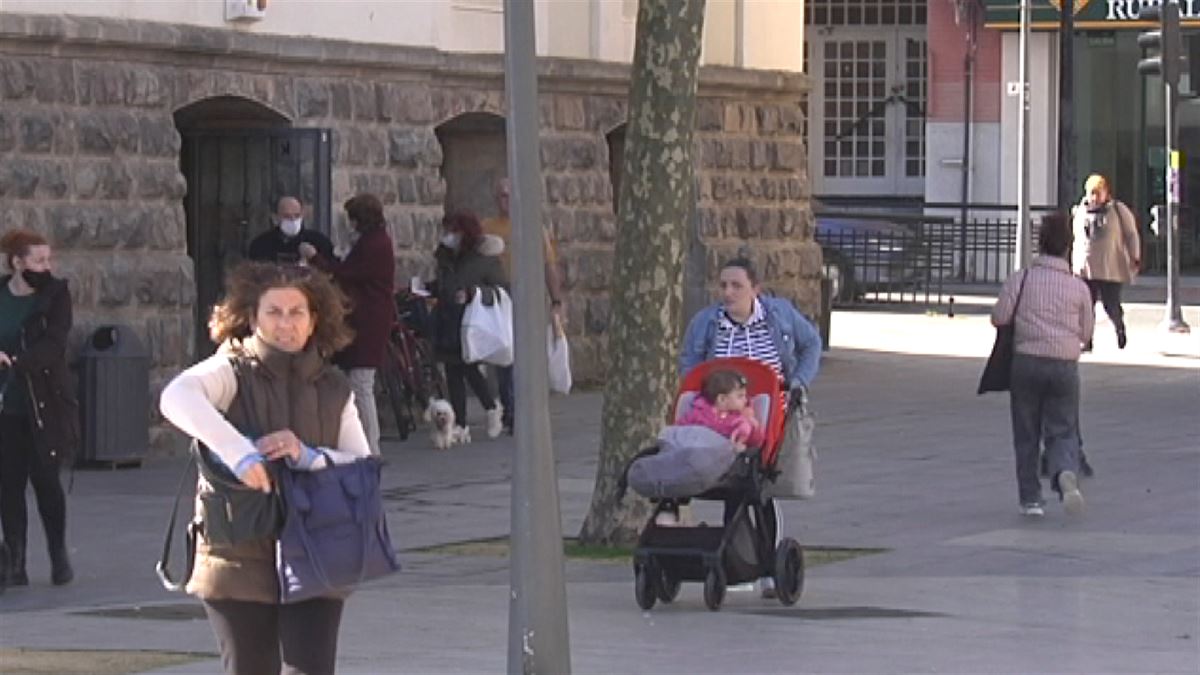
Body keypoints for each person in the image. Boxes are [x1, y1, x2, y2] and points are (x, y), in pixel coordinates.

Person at [159, 262, 370, 675]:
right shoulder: (230, 369)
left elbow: (361, 466)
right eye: (273, 312)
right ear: (252, 317)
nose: (285, 323)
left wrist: (308, 456)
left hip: (316, 551)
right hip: (237, 553)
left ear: (314, 322)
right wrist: (240, 454)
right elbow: (176, 396)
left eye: (297, 313)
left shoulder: (335, 388)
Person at [680, 257, 822, 597]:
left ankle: (758, 565)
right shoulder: (707, 323)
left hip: (768, 416)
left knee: (757, 485)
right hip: (718, 417)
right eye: (723, 285)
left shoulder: (779, 315)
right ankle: (737, 561)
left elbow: (811, 343)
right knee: (735, 485)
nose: (727, 293)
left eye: (736, 286)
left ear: (755, 289)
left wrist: (799, 381)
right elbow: (691, 362)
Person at [992, 213, 1094, 518]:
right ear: (1068, 247)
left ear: (1040, 244)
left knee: (1026, 433)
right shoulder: (1078, 288)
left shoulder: (1020, 279)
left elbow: (999, 317)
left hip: (1025, 363)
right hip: (1064, 365)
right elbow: (1086, 333)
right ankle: (1064, 472)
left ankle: (1031, 499)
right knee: (1063, 429)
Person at [0, 228, 78, 587]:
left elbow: (55, 343)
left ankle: (58, 554)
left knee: (46, 480)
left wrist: (18, 363)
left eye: (48, 259)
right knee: (8, 484)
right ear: (16, 262)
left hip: (44, 399)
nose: (46, 267)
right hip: (7, 405)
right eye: (38, 260)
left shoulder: (55, 295)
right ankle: (15, 561)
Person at [300, 193, 395, 456]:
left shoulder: (373, 245)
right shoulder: (375, 242)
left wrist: (316, 258)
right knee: (359, 382)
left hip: (367, 321)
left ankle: (370, 448)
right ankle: (365, 444)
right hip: (368, 319)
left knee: (361, 384)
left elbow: (346, 273)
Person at [480, 177, 566, 434]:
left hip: (526, 295)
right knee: (505, 356)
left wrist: (556, 299)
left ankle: (525, 408)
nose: (504, 201)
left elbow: (548, 265)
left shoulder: (532, 228)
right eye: (501, 196)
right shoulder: (488, 228)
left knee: (526, 355)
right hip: (499, 297)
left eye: (509, 196)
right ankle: (511, 408)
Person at [430, 210, 507, 440]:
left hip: (470, 320)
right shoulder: (444, 258)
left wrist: (474, 293)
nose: (448, 236)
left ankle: (490, 408)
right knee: (454, 370)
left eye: (453, 231)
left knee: (467, 368)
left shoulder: (484, 260)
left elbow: (500, 290)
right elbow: (444, 285)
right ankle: (462, 422)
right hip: (447, 319)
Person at [1071, 174, 1140, 350]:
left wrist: (1134, 256)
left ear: (1106, 193)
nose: (1094, 197)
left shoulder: (1117, 210)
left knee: (1111, 305)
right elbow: (1077, 239)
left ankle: (1119, 329)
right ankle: (1086, 340)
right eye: (1091, 193)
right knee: (1086, 307)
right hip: (1086, 269)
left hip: (1111, 268)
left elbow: (1131, 234)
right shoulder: (1080, 211)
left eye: (1098, 193)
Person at [678, 369, 765, 452]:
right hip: (697, 457)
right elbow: (679, 431)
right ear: (722, 399)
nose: (746, 400)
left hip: (727, 461)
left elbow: (756, 441)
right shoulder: (697, 413)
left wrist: (753, 425)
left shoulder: (741, 418)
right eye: (740, 396)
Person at [247, 196, 335, 265]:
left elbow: (331, 270)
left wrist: (315, 257)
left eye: (297, 216)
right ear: (275, 218)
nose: (293, 220)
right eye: (287, 216)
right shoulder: (262, 244)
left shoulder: (319, 241)